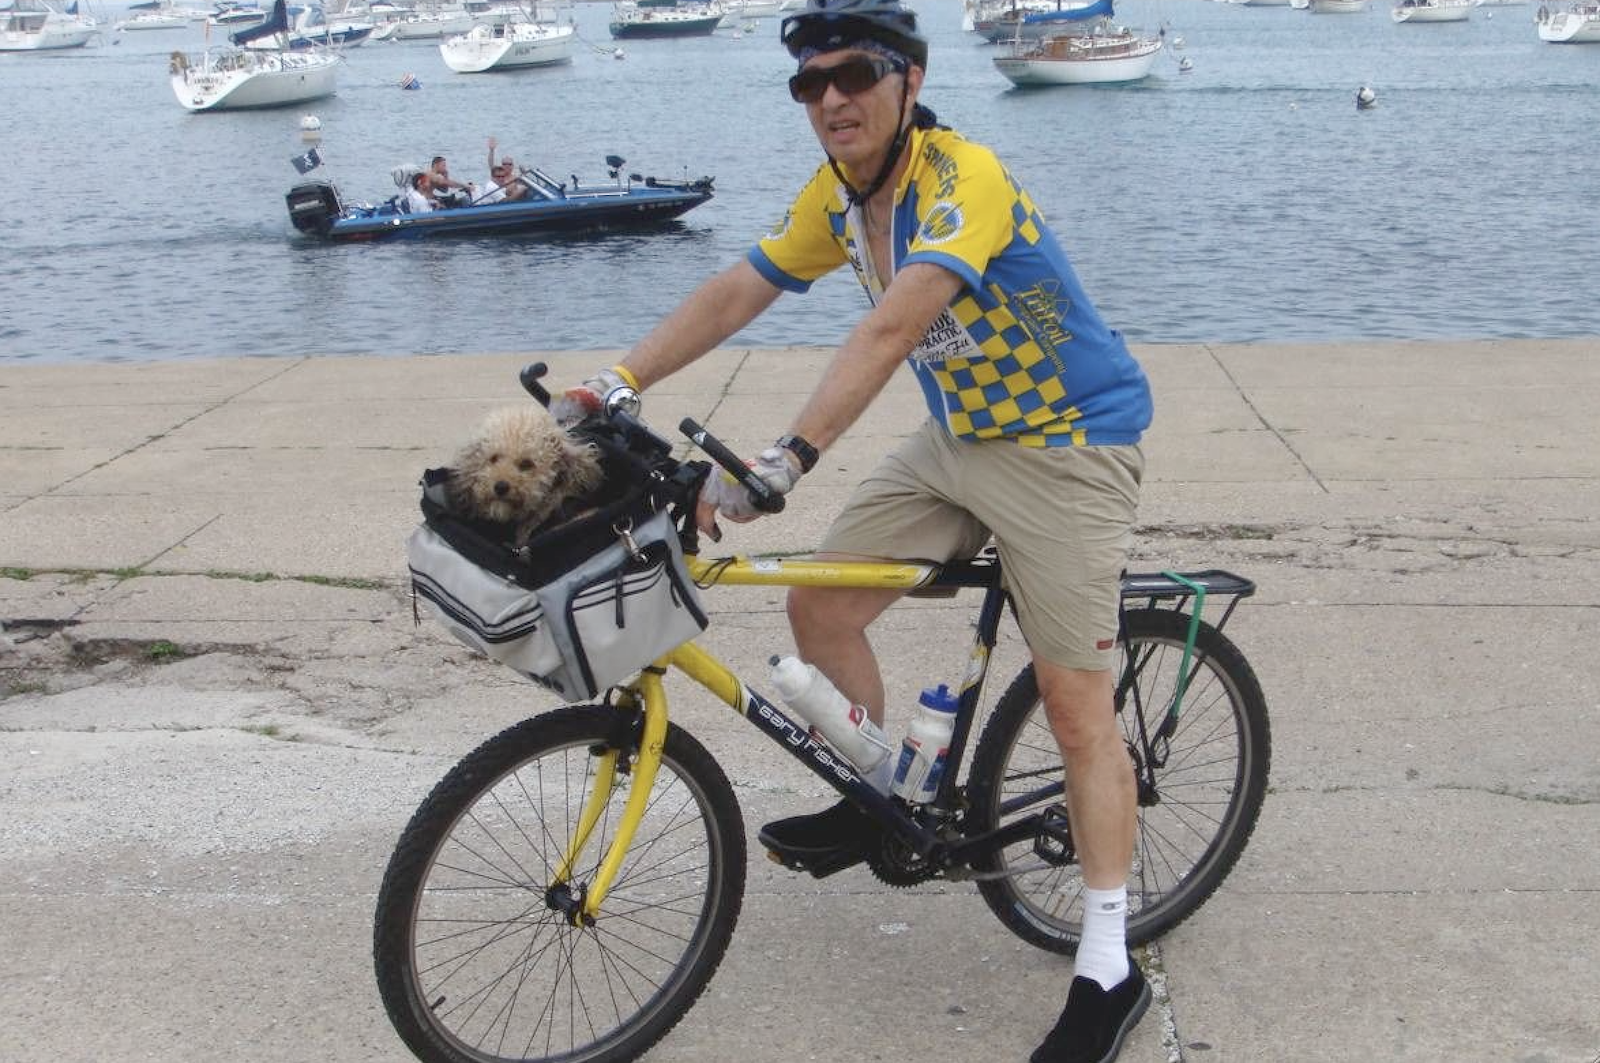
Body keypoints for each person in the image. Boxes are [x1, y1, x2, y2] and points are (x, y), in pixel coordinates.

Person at [554, 3, 1153, 1060]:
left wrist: (787, 457)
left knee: (1073, 710)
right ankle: (880, 792)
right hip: (962, 438)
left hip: (1068, 441)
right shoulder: (839, 197)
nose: (831, 98)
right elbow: (743, 284)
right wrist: (618, 381)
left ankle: (1108, 964)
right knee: (820, 599)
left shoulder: (963, 180)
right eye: (808, 84)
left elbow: (894, 324)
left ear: (907, 84)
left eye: (854, 76)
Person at [485, 136, 531, 202]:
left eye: (509, 164)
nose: (507, 166)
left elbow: (525, 186)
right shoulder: (496, 176)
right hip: (505, 203)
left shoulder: (516, 178)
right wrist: (491, 150)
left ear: (513, 166)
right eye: (504, 164)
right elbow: (491, 164)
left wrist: (524, 175)